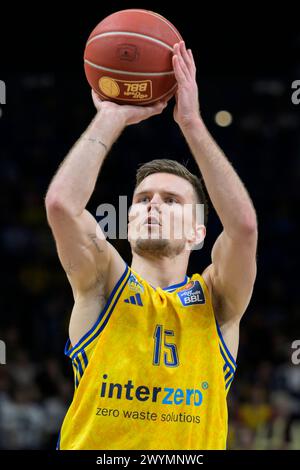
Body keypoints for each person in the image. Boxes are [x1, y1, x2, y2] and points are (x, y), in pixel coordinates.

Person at [45, 41, 258, 450]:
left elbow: (244, 228)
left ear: (197, 233)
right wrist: (111, 116)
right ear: (128, 222)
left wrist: (192, 123)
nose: (152, 206)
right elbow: (61, 204)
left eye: (172, 201)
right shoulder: (103, 284)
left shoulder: (216, 301)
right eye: (143, 200)